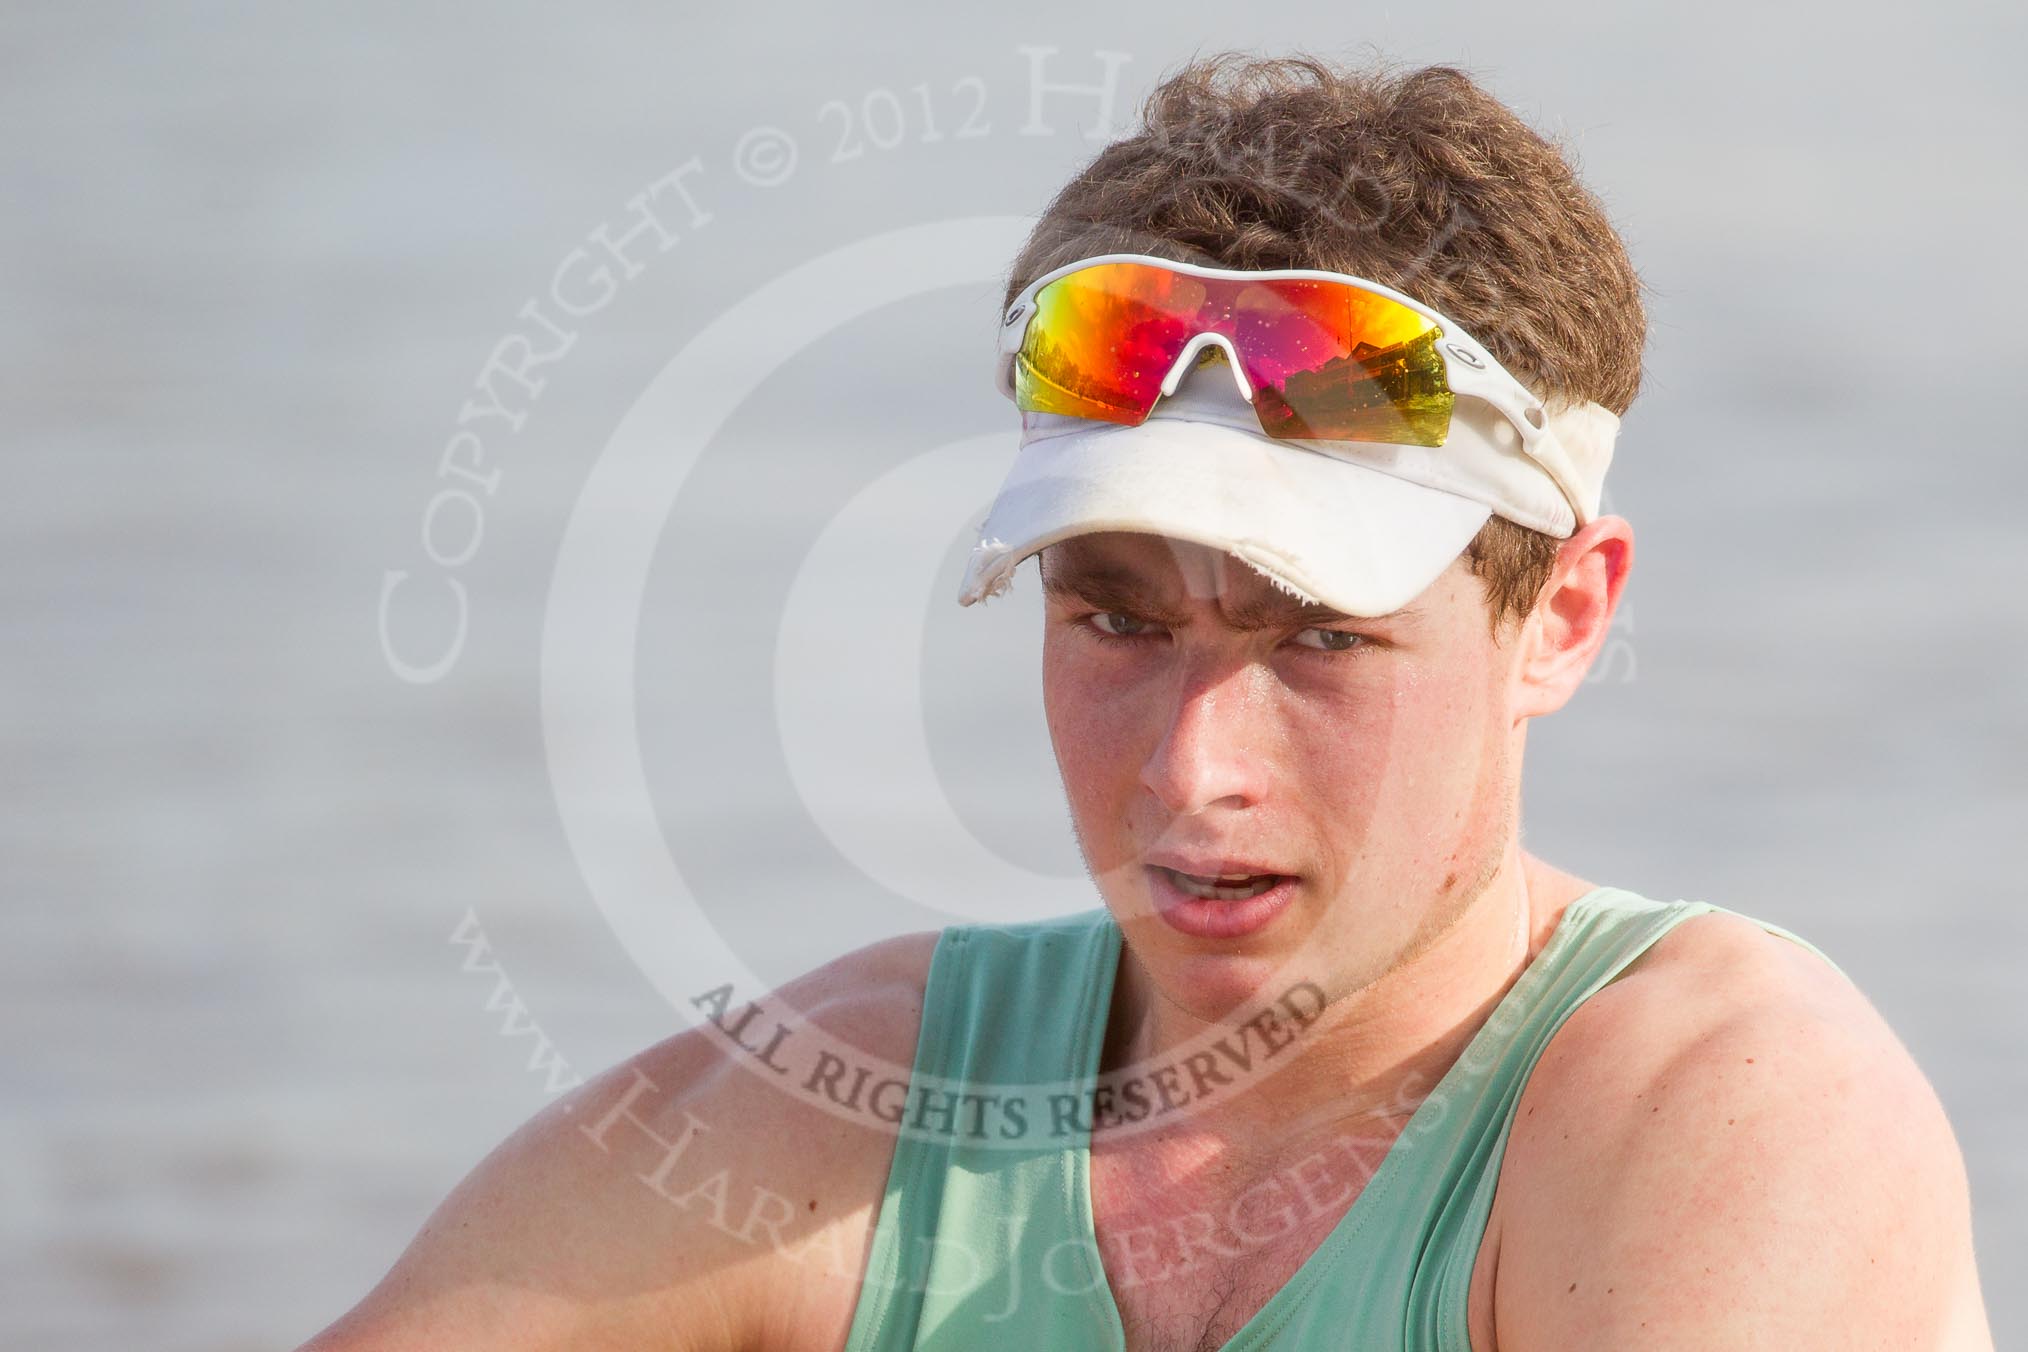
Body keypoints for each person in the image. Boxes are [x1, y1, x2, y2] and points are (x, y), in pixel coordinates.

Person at [299, 53, 1993, 1351]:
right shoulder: (835, 1115)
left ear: (1560, 617)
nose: (1190, 776)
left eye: (1320, 641)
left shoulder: (1730, 1113)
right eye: (1115, 621)